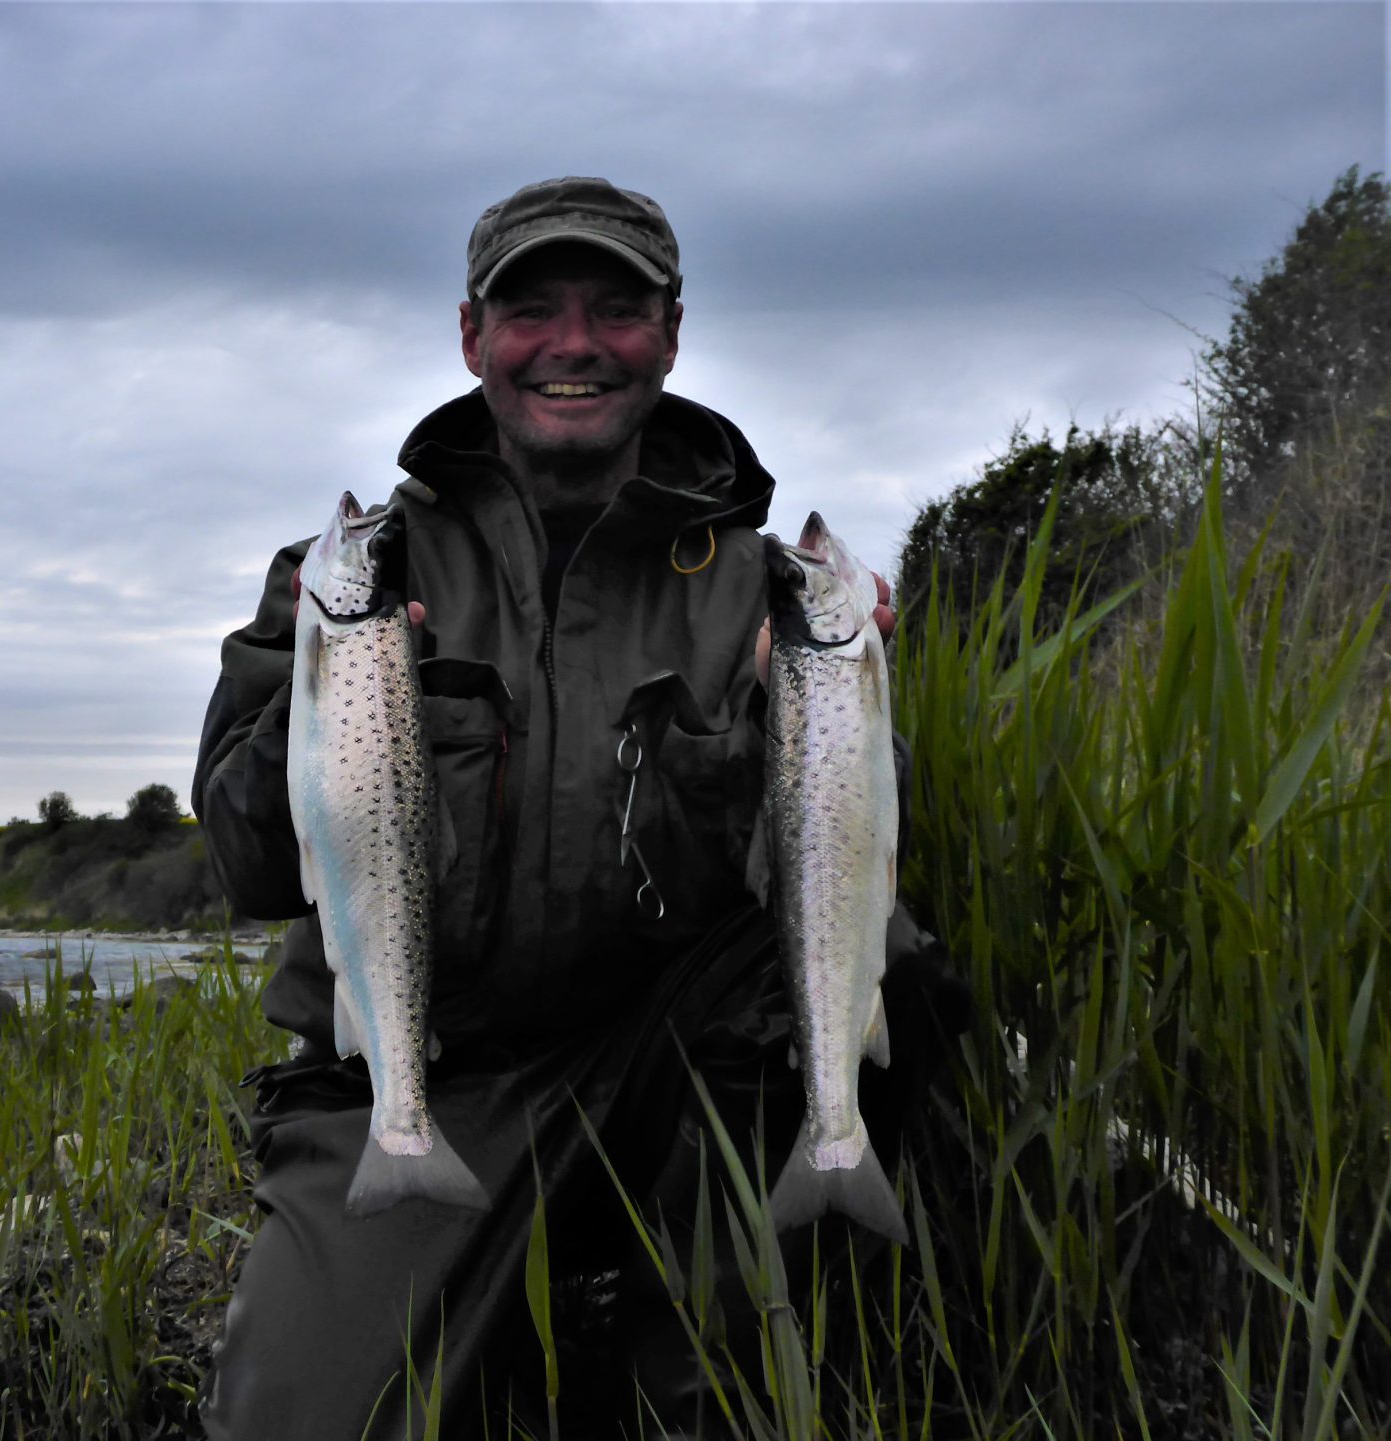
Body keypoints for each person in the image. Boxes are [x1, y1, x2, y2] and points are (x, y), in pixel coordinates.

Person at [192, 177, 967, 1441]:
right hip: (428, 1073)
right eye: (530, 310)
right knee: (304, 1423)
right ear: (469, 336)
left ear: (670, 331)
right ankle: (479, 1277)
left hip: (670, 1065)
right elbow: (247, 864)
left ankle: (717, 1342)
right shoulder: (352, 574)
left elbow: (846, 869)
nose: (572, 345)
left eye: (615, 309)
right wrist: (328, 697)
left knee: (897, 970)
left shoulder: (761, 588)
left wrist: (820, 709)